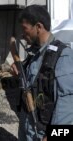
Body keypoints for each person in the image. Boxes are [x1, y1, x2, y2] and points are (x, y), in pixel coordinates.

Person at [11, 5, 73, 141]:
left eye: (25, 29)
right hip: (28, 130)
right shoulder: (34, 54)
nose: (22, 34)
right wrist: (19, 71)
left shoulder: (63, 56)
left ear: (38, 27)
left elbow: (68, 105)